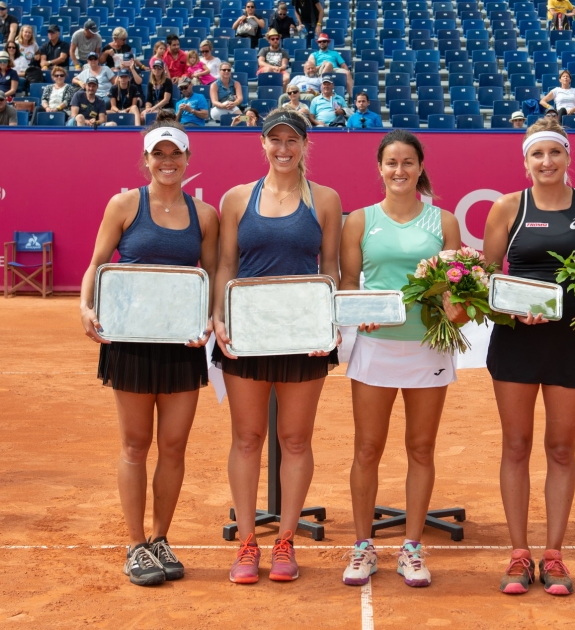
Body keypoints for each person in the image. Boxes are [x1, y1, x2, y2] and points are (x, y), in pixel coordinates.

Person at [80, 113, 219, 587]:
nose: (167, 161)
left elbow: (215, 278)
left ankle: (162, 538)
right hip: (131, 343)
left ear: (187, 159)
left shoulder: (205, 216)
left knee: (174, 446)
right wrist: (84, 306)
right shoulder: (122, 205)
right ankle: (136, 545)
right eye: (158, 154)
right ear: (145, 160)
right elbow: (97, 266)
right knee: (136, 444)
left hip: (182, 344)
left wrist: (209, 319)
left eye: (174, 153)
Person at [211, 110, 342, 585]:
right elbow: (226, 263)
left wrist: (325, 323)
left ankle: (285, 540)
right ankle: (248, 542)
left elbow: (330, 268)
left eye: (292, 140)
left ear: (306, 145)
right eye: (275, 140)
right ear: (262, 145)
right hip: (247, 333)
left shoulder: (325, 199)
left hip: (303, 336)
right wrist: (221, 314)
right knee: (247, 438)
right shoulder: (235, 199)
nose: (283, 148)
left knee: (295, 439)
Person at [482, 118, 575, 597]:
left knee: (561, 449)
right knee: (515, 446)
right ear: (525, 161)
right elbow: (486, 282)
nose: (547, 162)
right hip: (517, 339)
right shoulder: (507, 208)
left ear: (568, 157)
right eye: (537, 155)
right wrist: (515, 308)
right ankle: (519, 553)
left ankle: (553, 554)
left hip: (572, 341)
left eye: (555, 153)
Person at [339, 130, 461, 589]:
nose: (399, 170)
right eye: (391, 162)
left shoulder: (444, 222)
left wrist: (457, 308)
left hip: (428, 347)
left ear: (420, 166)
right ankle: (363, 546)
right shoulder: (360, 221)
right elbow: (348, 281)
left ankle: (411, 548)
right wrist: (360, 312)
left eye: (408, 162)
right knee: (367, 449)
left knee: (421, 448)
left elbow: (456, 287)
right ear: (380, 168)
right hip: (375, 348)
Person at [308, 32, 351, 98]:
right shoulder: (314, 54)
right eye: (320, 42)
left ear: (328, 42)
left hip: (335, 69)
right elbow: (311, 69)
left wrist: (346, 70)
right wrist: (323, 64)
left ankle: (353, 97)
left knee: (347, 73)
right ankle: (321, 87)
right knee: (329, 64)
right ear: (318, 43)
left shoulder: (335, 53)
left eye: (324, 41)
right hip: (320, 69)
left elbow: (344, 65)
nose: (322, 43)